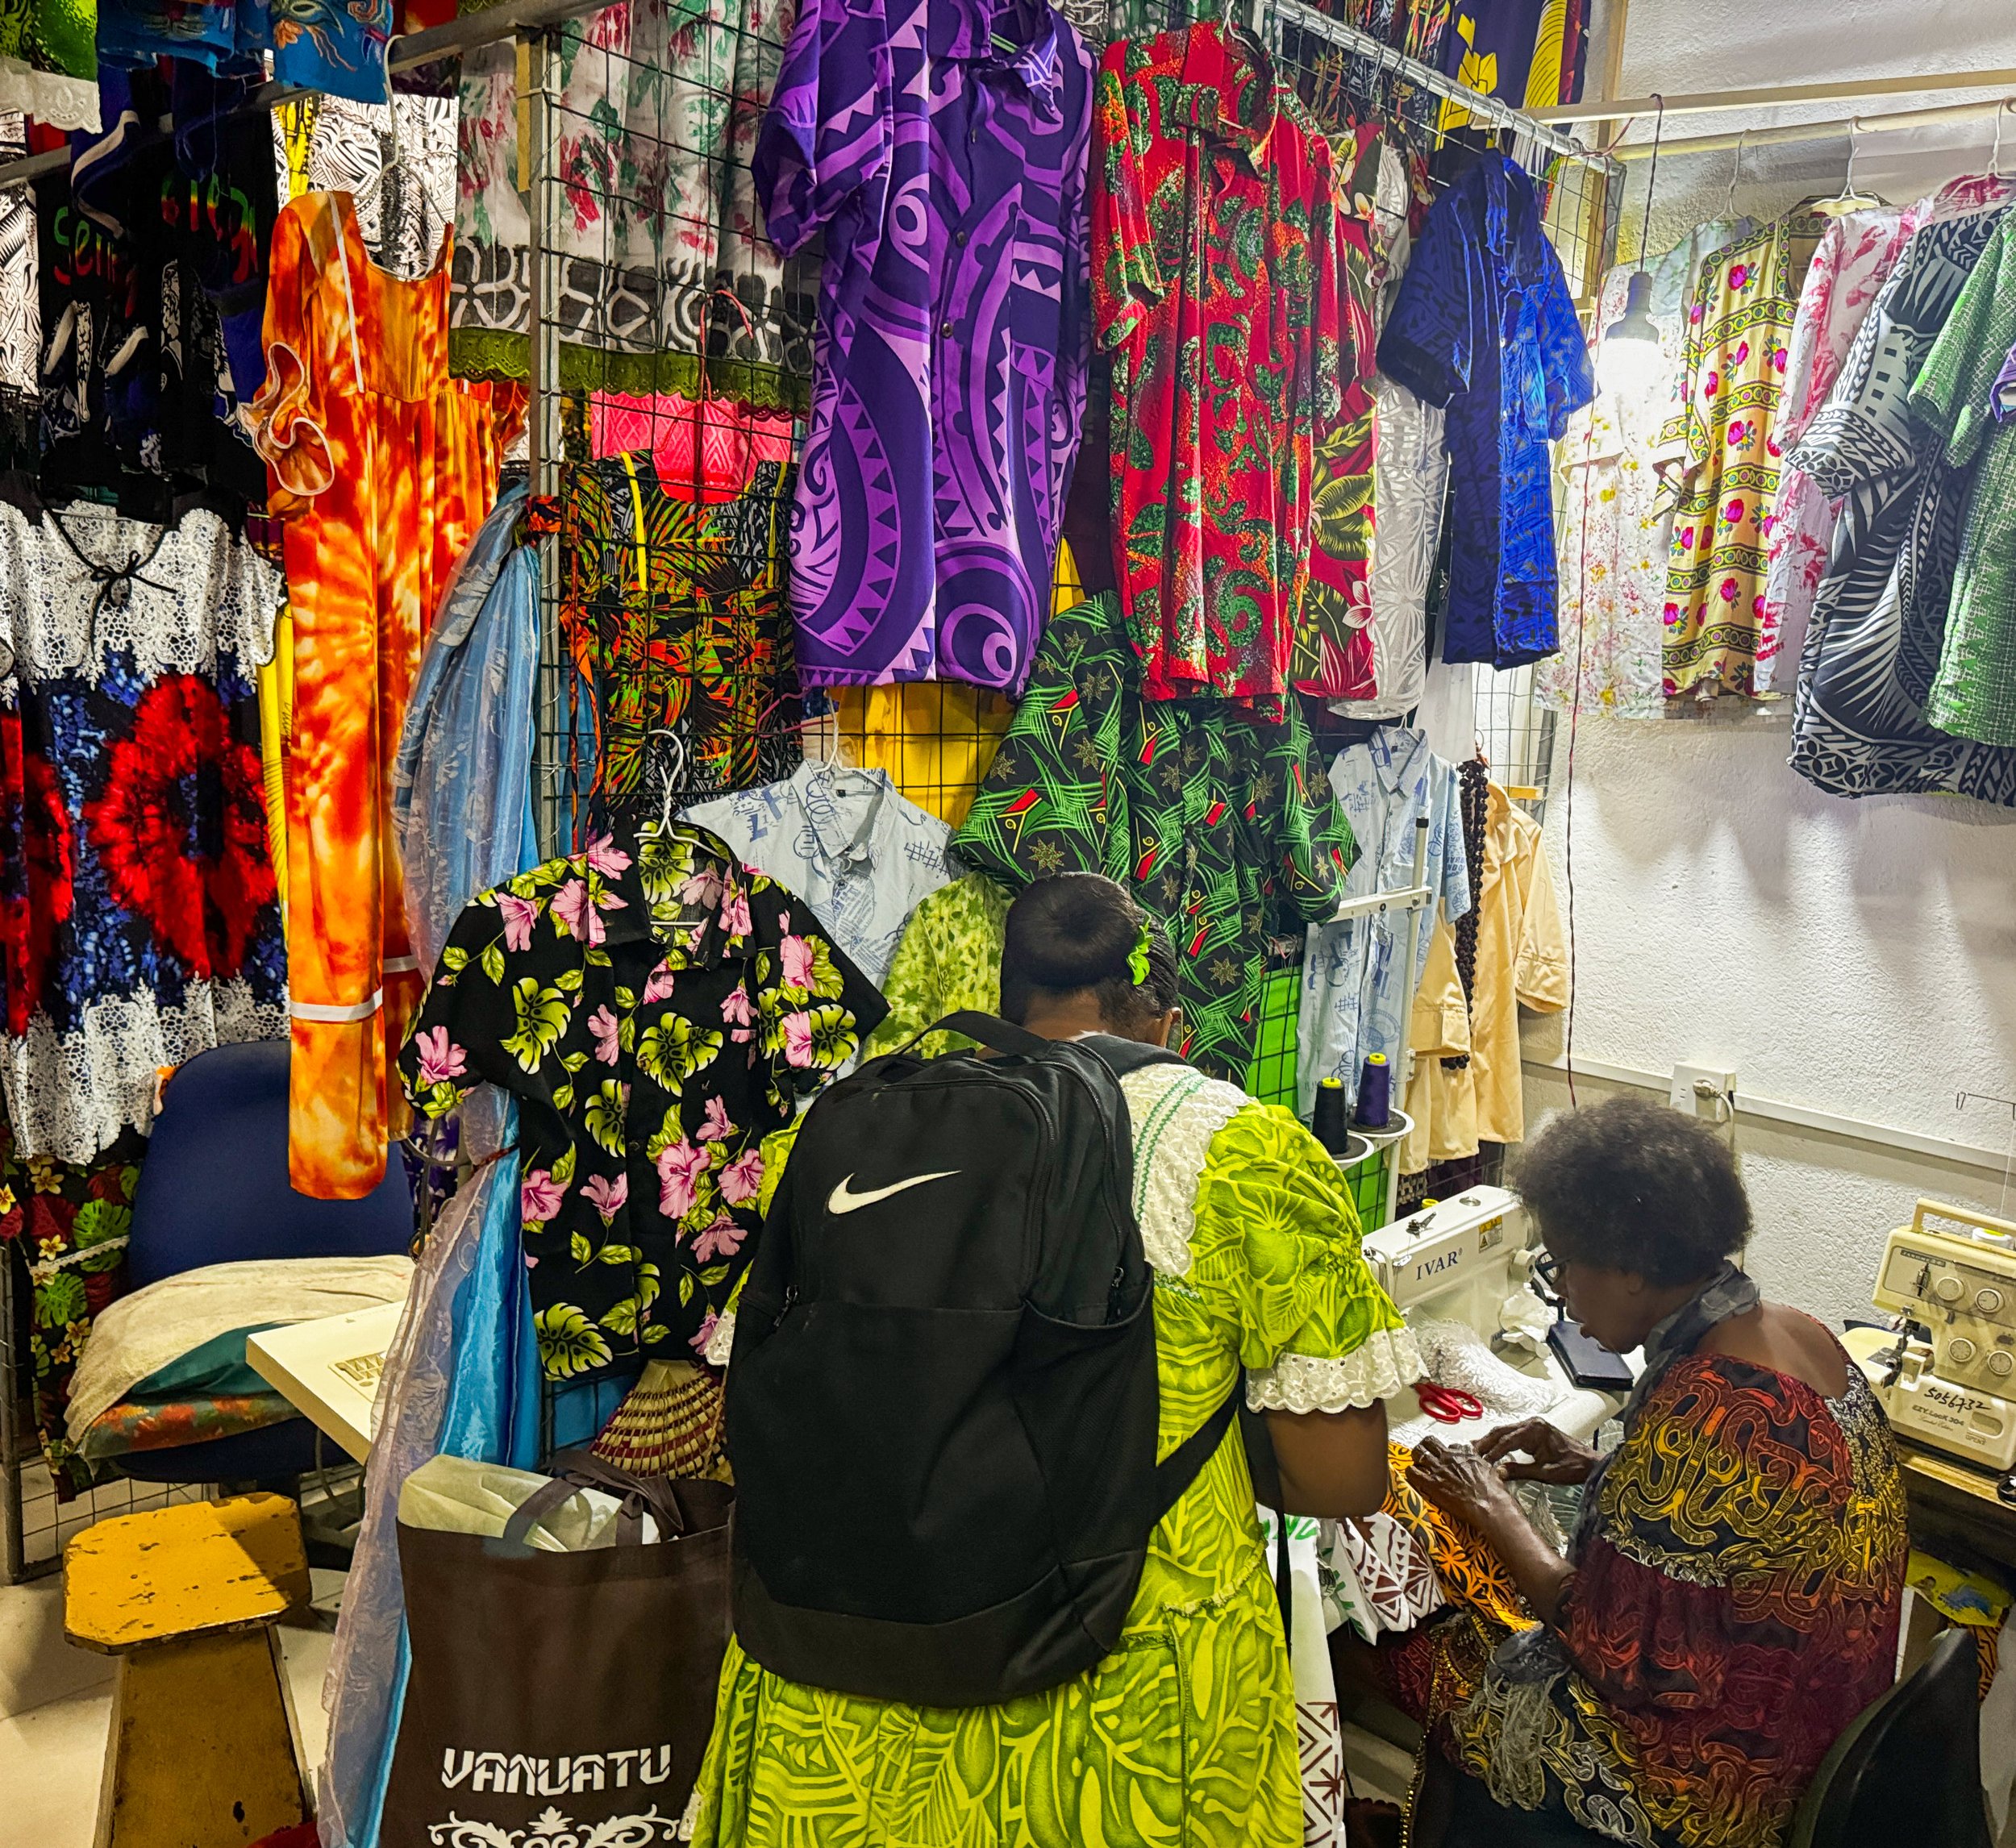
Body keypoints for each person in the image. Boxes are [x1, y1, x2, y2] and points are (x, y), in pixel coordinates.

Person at [687, 871, 1423, 1847]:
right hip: (1122, 1680)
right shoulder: (1241, 1153)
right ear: (1162, 1021)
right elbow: (1339, 1479)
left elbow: (760, 1403)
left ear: (1001, 1008)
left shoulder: (837, 1134)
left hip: (839, 1666)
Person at [1402, 1095, 1908, 1848]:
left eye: (1566, 1266)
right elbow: (1749, 1524)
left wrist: (1491, 1507)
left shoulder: (1714, 1409)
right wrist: (1600, 1467)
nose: (1564, 1294)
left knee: (1438, 1683)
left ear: (1633, 1269)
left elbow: (1606, 1642)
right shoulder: (1795, 1335)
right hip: (1816, 1724)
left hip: (1713, 1784)